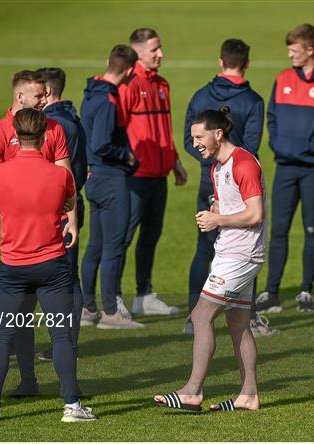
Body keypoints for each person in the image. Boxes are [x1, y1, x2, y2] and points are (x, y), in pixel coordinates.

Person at [0, 108, 95, 423]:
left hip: (12, 266)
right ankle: (71, 407)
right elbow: (69, 203)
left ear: (15, 135)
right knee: (61, 336)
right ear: (45, 136)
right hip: (52, 266)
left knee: (3, 336)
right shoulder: (59, 175)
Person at [154, 108, 266, 412]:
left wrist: (217, 219)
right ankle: (249, 394)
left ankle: (192, 390)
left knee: (201, 316)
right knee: (238, 322)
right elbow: (233, 204)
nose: (195, 143)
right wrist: (218, 210)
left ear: (218, 134)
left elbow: (256, 214)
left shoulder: (243, 163)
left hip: (241, 255)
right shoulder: (218, 168)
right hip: (229, 252)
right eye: (192, 138)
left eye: (199, 137)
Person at [0, 69, 75, 397]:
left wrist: (71, 221)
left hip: (41, 238)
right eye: (39, 96)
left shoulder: (55, 128)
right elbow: (66, 183)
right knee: (34, 323)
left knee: (13, 327)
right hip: (33, 242)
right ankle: (43, 388)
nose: (45, 100)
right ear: (21, 97)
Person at [183, 39, 276, 337]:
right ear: (246, 63)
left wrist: (208, 161)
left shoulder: (200, 95)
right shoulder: (253, 101)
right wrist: (229, 166)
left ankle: (192, 314)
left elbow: (190, 141)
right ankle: (245, 316)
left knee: (204, 247)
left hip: (207, 177)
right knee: (245, 246)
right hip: (239, 180)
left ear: (220, 62)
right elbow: (251, 146)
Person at [256, 24, 314, 313]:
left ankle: (306, 291)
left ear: (310, 49)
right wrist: (279, 145)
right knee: (278, 230)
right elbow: (272, 116)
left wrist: (308, 146)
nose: (290, 55)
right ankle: (272, 292)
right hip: (285, 166)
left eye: (294, 50)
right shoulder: (283, 78)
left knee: (311, 228)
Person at [117, 28, 187, 317]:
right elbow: (116, 129)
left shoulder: (162, 84)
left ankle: (143, 294)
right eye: (154, 49)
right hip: (134, 177)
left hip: (159, 175)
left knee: (151, 235)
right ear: (138, 52)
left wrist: (175, 161)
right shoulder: (128, 85)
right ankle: (114, 297)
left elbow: (163, 131)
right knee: (123, 237)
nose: (161, 54)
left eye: (160, 48)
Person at [80, 44, 144, 329]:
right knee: (113, 247)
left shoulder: (91, 93)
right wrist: (126, 155)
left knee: (95, 246)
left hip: (94, 178)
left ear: (108, 62)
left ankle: (86, 307)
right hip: (110, 178)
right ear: (130, 71)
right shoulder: (107, 100)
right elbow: (101, 144)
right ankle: (110, 312)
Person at [33, 67, 87, 361]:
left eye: (39, 93)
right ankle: (66, 343)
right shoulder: (73, 119)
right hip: (73, 201)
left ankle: (63, 345)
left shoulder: (54, 125)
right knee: (68, 276)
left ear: (49, 92)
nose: (37, 100)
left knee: (60, 278)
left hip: (60, 208)